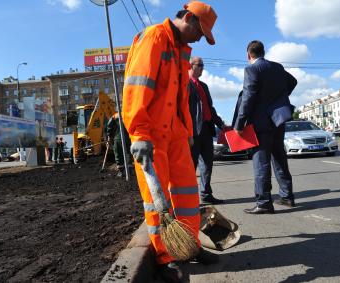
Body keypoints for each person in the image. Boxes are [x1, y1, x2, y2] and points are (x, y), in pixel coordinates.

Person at [121, 2, 219, 282]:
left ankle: (189, 247)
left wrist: (187, 132)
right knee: (156, 202)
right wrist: (138, 133)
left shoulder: (179, 51)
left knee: (188, 196)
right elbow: (136, 87)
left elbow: (179, 99)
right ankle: (165, 258)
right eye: (201, 31)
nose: (201, 38)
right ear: (188, 18)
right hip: (151, 137)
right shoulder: (153, 38)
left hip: (175, 135)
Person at [234, 40, 297, 215]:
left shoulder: (252, 69)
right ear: (263, 52)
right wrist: (280, 98)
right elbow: (293, 81)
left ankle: (263, 202)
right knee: (279, 158)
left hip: (260, 123)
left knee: (261, 162)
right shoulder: (277, 67)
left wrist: (239, 124)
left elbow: (248, 97)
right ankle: (287, 197)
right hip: (278, 120)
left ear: (249, 55)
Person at [188, 56, 227, 205]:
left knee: (207, 164)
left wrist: (220, 124)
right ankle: (189, 199)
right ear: (191, 66)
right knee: (191, 166)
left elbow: (210, 108)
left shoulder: (203, 86)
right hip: (192, 131)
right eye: (200, 65)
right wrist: (186, 131)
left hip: (206, 129)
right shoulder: (184, 84)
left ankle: (206, 194)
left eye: (203, 65)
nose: (203, 67)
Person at [106, 112, 131, 177]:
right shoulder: (129, 113)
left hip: (117, 139)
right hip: (129, 138)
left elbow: (109, 127)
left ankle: (121, 172)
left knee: (119, 155)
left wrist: (109, 137)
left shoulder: (115, 116)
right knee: (128, 154)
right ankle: (130, 170)